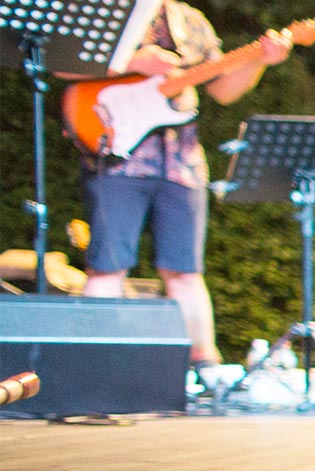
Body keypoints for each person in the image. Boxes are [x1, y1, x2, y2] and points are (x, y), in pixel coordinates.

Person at [75, 0, 291, 366]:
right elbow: (64, 66)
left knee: (186, 271)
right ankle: (93, 365)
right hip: (116, 158)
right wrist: (132, 63)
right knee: (107, 266)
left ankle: (203, 368)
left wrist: (259, 60)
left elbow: (223, 90)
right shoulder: (102, 11)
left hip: (182, 163)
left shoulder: (191, 20)